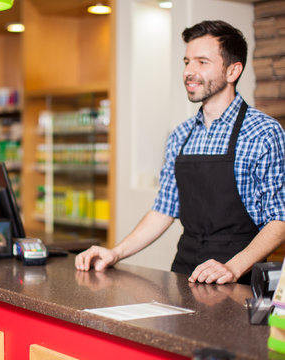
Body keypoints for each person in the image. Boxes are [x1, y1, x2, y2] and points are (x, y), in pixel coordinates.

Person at [75, 20, 285, 285]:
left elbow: (279, 219)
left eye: (202, 62)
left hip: (238, 281)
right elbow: (163, 210)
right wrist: (115, 253)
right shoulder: (180, 135)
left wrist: (232, 268)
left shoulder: (263, 132)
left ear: (233, 71)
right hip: (185, 274)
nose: (189, 71)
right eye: (187, 62)